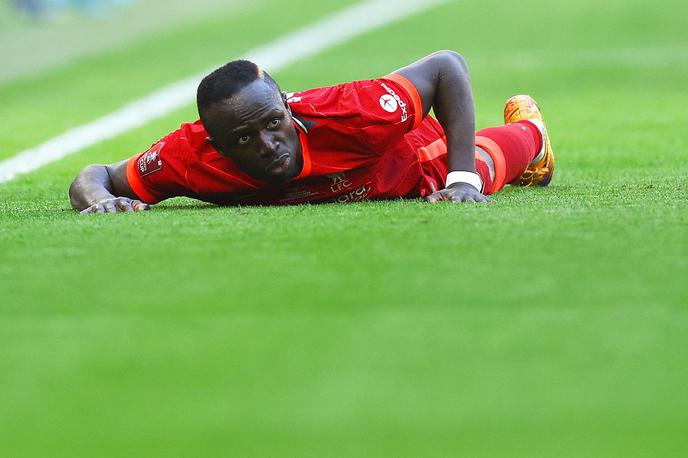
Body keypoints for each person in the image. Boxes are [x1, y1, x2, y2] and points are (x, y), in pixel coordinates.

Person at [69, 50, 555, 213]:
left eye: (272, 124)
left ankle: (530, 131)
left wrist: (462, 181)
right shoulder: (188, 156)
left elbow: (446, 66)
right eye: (243, 140)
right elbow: (95, 177)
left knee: (492, 164)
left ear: (286, 107)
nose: (266, 145)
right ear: (214, 144)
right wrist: (102, 201)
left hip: (409, 161)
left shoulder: (353, 113)